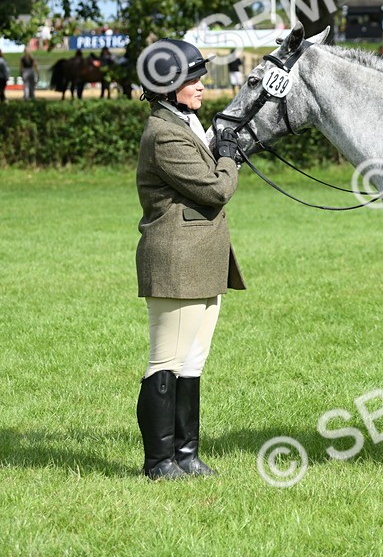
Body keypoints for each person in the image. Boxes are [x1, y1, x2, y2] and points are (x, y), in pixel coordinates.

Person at [134, 39, 245, 480]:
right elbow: (216, 188)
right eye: (192, 79)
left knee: (192, 362)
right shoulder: (163, 134)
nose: (201, 85)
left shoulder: (186, 123)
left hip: (201, 257)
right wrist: (228, 156)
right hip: (176, 259)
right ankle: (158, 462)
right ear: (168, 86)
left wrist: (221, 150)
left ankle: (186, 455)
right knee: (165, 361)